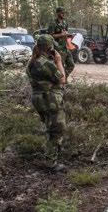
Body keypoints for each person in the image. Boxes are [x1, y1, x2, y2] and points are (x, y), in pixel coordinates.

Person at [26, 34, 67, 171]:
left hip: (39, 98)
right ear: (49, 47)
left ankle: (53, 154)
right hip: (49, 99)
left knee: (51, 128)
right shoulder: (45, 63)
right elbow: (62, 79)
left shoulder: (33, 61)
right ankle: (51, 163)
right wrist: (59, 61)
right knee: (56, 130)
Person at [47, 7, 74, 78]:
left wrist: (68, 35)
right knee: (59, 67)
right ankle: (59, 83)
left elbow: (65, 33)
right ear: (57, 13)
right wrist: (61, 34)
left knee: (71, 65)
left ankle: (64, 79)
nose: (63, 14)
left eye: (64, 12)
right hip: (57, 48)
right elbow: (49, 36)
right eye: (62, 13)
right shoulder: (53, 23)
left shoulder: (65, 22)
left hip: (65, 47)